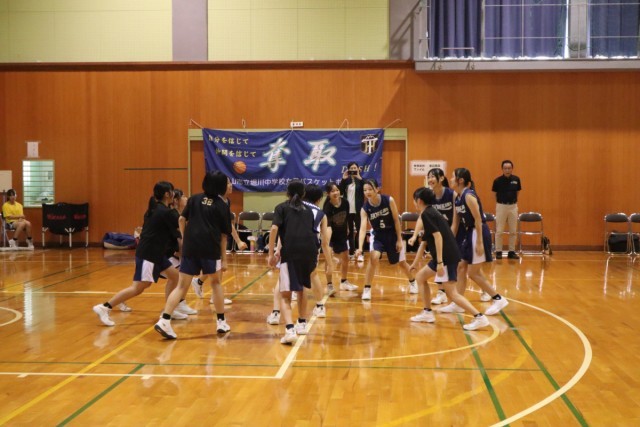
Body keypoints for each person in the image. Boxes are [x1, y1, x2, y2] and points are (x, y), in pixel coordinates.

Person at [92, 182, 182, 326]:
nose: (174, 194)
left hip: (157, 254)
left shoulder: (155, 209)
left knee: (175, 276)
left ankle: (169, 310)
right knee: (139, 287)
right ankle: (105, 307)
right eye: (172, 192)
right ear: (167, 194)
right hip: (149, 254)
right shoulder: (165, 212)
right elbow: (181, 225)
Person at [154, 171, 231, 339]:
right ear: (220, 186)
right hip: (210, 249)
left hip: (190, 248)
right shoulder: (222, 205)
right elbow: (224, 236)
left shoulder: (194, 199)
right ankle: (221, 322)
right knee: (216, 283)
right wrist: (224, 259)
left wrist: (185, 238)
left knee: (181, 286)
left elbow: (181, 220)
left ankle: (164, 320)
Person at [408, 187, 490, 330]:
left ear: (419, 201)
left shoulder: (427, 214)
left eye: (414, 200)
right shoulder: (430, 212)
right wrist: (415, 263)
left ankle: (479, 317)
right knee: (420, 277)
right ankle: (427, 312)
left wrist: (440, 262)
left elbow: (438, 237)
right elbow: (425, 242)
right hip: (444, 256)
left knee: (452, 293)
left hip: (446, 257)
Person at [450, 168, 509, 318]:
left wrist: (480, 242)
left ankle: (498, 298)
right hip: (469, 233)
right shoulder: (457, 197)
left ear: (460, 180)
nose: (450, 179)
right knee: (461, 267)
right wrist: (448, 241)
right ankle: (458, 303)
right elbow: (455, 224)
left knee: (473, 273)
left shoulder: (469, 195)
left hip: (478, 232)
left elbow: (478, 219)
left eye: (452, 177)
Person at [268, 180, 319, 344]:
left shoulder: (281, 207)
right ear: (303, 194)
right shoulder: (309, 211)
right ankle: (302, 324)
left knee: (285, 295)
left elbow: (274, 229)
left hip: (291, 252)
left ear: (287, 192)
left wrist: (271, 253)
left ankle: (290, 329)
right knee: (302, 289)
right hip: (309, 251)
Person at [354, 179, 417, 301]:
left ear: (377, 189)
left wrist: (399, 239)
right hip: (378, 236)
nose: (367, 192)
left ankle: (413, 281)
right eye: (365, 190)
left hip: (392, 234)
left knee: (401, 263)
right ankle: (367, 288)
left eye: (370, 189)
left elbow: (396, 220)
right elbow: (362, 228)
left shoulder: (388, 200)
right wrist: (360, 247)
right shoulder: (365, 208)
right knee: (373, 258)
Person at [190, 177, 248, 305]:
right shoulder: (215, 201)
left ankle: (199, 282)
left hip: (216, 238)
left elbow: (228, 224)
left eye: (230, 182)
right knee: (218, 265)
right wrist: (238, 241)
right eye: (227, 183)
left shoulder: (226, 201)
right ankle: (213, 296)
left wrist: (238, 241)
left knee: (214, 266)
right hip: (208, 238)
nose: (231, 185)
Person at [323, 181, 357, 294]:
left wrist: (348, 228)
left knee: (345, 258)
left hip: (342, 234)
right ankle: (329, 284)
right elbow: (327, 225)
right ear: (328, 193)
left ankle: (344, 282)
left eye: (337, 190)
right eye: (332, 191)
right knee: (328, 260)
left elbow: (347, 217)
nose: (336, 193)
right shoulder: (327, 207)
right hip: (330, 235)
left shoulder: (345, 202)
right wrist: (328, 242)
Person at [492, 160, 521, 260]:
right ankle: (498, 251)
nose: (507, 170)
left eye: (509, 168)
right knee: (499, 231)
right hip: (501, 206)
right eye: (505, 168)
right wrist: (501, 203)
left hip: (513, 206)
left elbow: (517, 192)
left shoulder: (516, 179)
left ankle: (511, 252)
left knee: (513, 231)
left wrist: (512, 202)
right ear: (502, 169)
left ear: (512, 169)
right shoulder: (497, 181)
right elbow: (495, 194)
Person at [339, 162, 365, 261]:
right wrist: (343, 178)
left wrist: (359, 177)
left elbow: (365, 189)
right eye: (351, 168)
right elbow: (340, 191)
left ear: (358, 169)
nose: (353, 170)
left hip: (358, 210)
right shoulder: (346, 180)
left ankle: (360, 253)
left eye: (355, 168)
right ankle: (351, 252)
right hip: (348, 210)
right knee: (349, 232)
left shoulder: (361, 180)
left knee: (360, 231)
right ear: (348, 170)